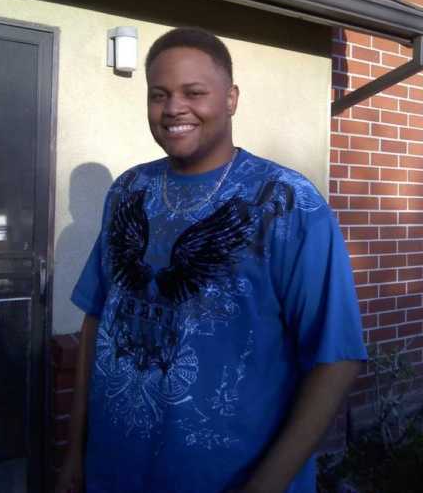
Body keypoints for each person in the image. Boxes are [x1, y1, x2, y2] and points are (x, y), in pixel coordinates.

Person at [57, 27, 367, 493]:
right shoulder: (127, 191)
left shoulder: (286, 203)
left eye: (194, 92)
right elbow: (95, 321)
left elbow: (337, 358)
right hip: (113, 474)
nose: (174, 108)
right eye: (158, 94)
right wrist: (75, 457)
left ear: (231, 99)